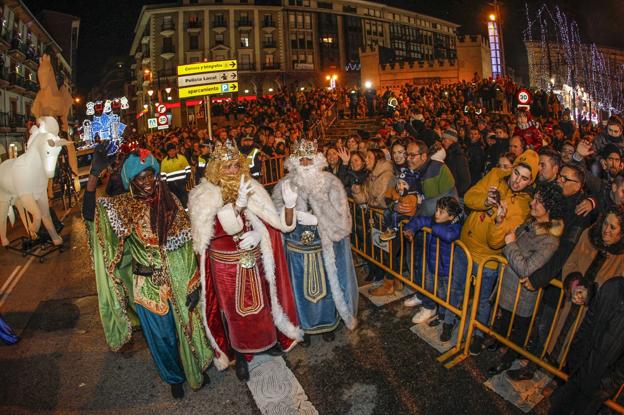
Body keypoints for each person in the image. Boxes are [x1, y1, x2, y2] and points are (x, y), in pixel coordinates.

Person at [83, 144, 213, 399]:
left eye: (151, 174)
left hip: (179, 280)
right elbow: (90, 215)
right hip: (147, 289)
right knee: (163, 340)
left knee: (187, 330)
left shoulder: (171, 202)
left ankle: (193, 368)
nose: (148, 181)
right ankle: (174, 378)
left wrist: (194, 283)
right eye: (140, 177)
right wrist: (93, 176)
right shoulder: (122, 208)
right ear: (131, 181)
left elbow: (187, 246)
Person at [187, 139, 302, 382]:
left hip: (255, 259)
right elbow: (211, 233)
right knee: (233, 312)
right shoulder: (202, 195)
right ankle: (240, 354)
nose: (232, 170)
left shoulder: (253, 187)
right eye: (227, 166)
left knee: (263, 305)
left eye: (236, 165)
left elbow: (276, 225)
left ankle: (267, 341)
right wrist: (236, 209)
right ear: (216, 168)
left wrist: (284, 211)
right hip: (225, 265)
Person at [446, 150, 539, 355]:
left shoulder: (524, 205)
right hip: (466, 244)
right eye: (516, 173)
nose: (517, 181)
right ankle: (448, 320)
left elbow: (496, 242)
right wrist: (486, 202)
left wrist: (499, 220)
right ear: (512, 169)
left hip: (488, 258)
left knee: (482, 301)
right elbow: (469, 198)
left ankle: (478, 336)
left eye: (525, 178)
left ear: (531, 181)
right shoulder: (496, 174)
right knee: (456, 288)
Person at [272, 139, 358, 345]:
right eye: (300, 159)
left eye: (308, 158)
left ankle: (328, 323)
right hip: (296, 251)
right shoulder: (283, 185)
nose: (305, 163)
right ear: (293, 161)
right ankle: (304, 327)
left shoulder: (330, 182)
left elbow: (343, 220)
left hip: (324, 247)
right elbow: (276, 219)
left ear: (317, 159)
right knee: (298, 291)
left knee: (329, 286)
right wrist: (289, 210)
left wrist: (318, 219)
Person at [487, 181, 565, 376]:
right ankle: (499, 341)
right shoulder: (531, 223)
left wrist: (511, 244)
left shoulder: (550, 240)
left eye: (538, 201)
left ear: (549, 208)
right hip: (507, 287)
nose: (532, 203)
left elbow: (526, 268)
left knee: (519, 330)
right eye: (535, 198)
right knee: (504, 318)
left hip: (521, 295)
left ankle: (508, 359)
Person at [548, 276, 624, 415]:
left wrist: (609, 385)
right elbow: (588, 323)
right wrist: (573, 357)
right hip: (580, 369)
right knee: (558, 409)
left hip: (599, 385)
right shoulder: (613, 285)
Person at [402, 196, 463, 340]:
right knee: (438, 293)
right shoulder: (436, 221)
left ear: (451, 216)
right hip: (433, 265)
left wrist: (433, 226)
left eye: (441, 212)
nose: (436, 214)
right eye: (436, 210)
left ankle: (450, 320)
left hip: (447, 270)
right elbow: (420, 220)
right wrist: (410, 228)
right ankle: (441, 315)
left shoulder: (455, 226)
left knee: (448, 296)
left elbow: (449, 235)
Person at [440, 128, 471, 198]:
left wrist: (455, 193)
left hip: (456, 196)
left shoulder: (458, 157)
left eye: (445, 140)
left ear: (452, 141)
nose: (443, 142)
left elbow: (466, 180)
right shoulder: (447, 154)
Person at [160, 142, 191, 208]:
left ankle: (187, 214)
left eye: (173, 150)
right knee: (176, 202)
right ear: (167, 152)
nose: (172, 152)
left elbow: (188, 169)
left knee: (185, 200)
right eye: (170, 151)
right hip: (171, 186)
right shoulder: (164, 162)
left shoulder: (182, 158)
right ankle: (180, 215)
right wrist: (166, 186)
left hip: (182, 184)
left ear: (175, 150)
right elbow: (163, 176)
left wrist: (186, 180)